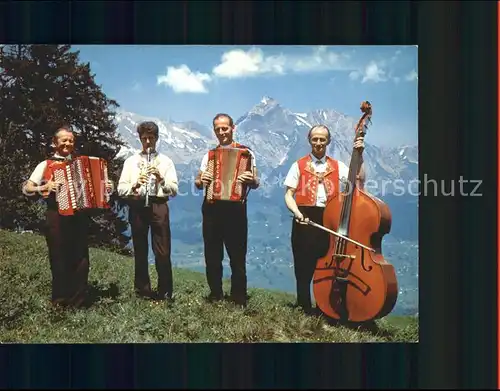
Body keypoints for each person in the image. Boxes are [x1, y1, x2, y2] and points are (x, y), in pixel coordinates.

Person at [23, 124, 113, 308]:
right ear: (54, 143)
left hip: (79, 216)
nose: (68, 143)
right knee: (58, 256)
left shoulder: (81, 164)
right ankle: (60, 301)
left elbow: (97, 187)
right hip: (55, 214)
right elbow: (27, 187)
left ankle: (78, 300)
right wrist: (43, 187)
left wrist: (106, 186)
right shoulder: (46, 164)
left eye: (71, 140)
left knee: (81, 258)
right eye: (64, 140)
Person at [283, 124, 366, 314]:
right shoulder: (298, 165)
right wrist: (297, 213)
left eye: (322, 139)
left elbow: (359, 180)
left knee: (329, 266)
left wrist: (359, 155)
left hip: (330, 218)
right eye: (315, 139)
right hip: (304, 217)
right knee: (302, 265)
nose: (318, 143)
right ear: (309, 140)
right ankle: (303, 306)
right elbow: (288, 194)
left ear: (328, 141)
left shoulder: (339, 166)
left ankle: (325, 307)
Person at [194, 113, 259, 307]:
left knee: (237, 255)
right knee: (212, 255)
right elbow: (198, 182)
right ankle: (216, 294)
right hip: (212, 208)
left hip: (236, 209)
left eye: (225, 128)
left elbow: (256, 182)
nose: (221, 132)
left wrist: (250, 179)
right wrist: (201, 180)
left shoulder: (247, 153)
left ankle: (238, 297)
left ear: (233, 128)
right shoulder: (210, 155)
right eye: (218, 129)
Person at [117, 121, 178, 302]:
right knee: (140, 249)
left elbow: (173, 190)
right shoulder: (131, 162)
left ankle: (165, 292)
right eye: (144, 139)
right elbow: (121, 189)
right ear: (140, 139)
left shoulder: (166, 161)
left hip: (158, 205)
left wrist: (160, 179)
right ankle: (142, 291)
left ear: (157, 139)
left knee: (163, 251)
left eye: (151, 138)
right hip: (137, 206)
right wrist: (135, 185)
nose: (148, 142)